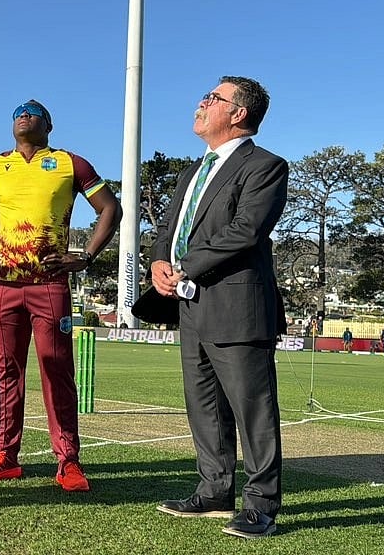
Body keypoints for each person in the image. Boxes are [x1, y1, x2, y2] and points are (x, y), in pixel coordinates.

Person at [138, 77, 288, 539]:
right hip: (190, 306)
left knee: (252, 410)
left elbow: (246, 230)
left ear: (239, 113)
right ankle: (213, 490)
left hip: (238, 306)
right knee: (204, 406)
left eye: (214, 98)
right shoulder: (191, 172)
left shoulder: (265, 166)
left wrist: (184, 265)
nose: (202, 102)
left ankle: (261, 505)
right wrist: (160, 261)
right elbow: (169, 227)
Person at [0, 99, 121, 493]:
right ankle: (5, 457)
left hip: (49, 285)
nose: (23, 115)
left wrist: (85, 256)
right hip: (4, 285)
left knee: (57, 370)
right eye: (17, 112)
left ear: (49, 125)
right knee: (6, 371)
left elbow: (109, 208)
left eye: (32, 111)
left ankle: (68, 462)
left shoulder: (69, 163)